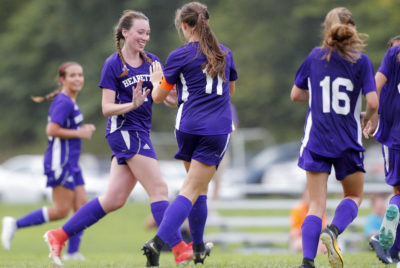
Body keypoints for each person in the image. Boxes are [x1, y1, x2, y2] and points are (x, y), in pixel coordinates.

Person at [42, 10, 192, 267]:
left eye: (147, 33)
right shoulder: (114, 63)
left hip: (139, 132)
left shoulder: (153, 61)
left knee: (113, 200)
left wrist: (176, 94)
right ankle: (179, 248)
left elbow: (166, 98)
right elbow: (106, 108)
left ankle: (58, 235)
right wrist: (131, 105)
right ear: (125, 32)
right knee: (159, 189)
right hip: (123, 132)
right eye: (140, 32)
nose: (145, 37)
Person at [141, 2, 238, 266]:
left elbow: (159, 97)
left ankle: (196, 248)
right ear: (207, 22)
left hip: (187, 127)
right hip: (216, 128)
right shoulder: (225, 53)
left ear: (184, 25)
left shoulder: (178, 55)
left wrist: (157, 80)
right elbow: (229, 92)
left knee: (198, 189)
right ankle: (158, 242)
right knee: (192, 189)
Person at [290, 7, 378, 268]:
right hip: (347, 140)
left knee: (316, 204)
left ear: (327, 29)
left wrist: (317, 96)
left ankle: (307, 262)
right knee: (353, 196)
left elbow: (295, 94)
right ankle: (333, 231)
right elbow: (373, 100)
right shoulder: (360, 61)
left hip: (316, 139)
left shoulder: (315, 57)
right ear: (353, 29)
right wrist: (367, 115)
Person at [1, 61, 96, 261]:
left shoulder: (71, 101)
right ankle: (14, 224)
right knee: (61, 211)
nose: (77, 78)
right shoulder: (64, 101)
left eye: (80, 74)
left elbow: (65, 128)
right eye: (72, 75)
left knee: (82, 207)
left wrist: (81, 130)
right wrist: (79, 133)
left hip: (72, 163)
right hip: (60, 162)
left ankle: (72, 253)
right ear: (62, 79)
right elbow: (51, 130)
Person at [365, 35, 400, 264]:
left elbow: (373, 89)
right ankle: (390, 245)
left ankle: (388, 245)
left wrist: (370, 116)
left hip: (393, 138)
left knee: (398, 194)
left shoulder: (391, 60)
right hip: (392, 136)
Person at [289, 189, 327, 254]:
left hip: (317, 238)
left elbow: (324, 227)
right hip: (301, 238)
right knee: (301, 244)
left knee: (324, 245)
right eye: (307, 196)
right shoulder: (298, 209)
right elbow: (294, 232)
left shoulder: (320, 209)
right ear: (303, 196)